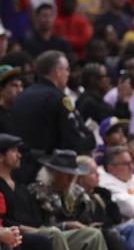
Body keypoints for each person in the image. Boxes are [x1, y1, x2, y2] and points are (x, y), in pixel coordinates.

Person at [12, 51, 96, 184]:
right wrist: (90, 140)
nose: (68, 74)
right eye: (67, 69)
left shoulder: (21, 96)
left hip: (19, 168)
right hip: (49, 171)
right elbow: (73, 139)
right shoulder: (58, 98)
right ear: (57, 71)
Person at [0, 134, 52, 250]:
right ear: (1, 156)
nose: (19, 155)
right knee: (14, 238)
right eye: (14, 151)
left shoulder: (20, 187)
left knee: (41, 242)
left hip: (14, 230)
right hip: (9, 231)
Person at [0, 65, 22, 134]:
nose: (20, 90)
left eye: (21, 86)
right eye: (14, 85)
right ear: (1, 89)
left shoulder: (22, 113)